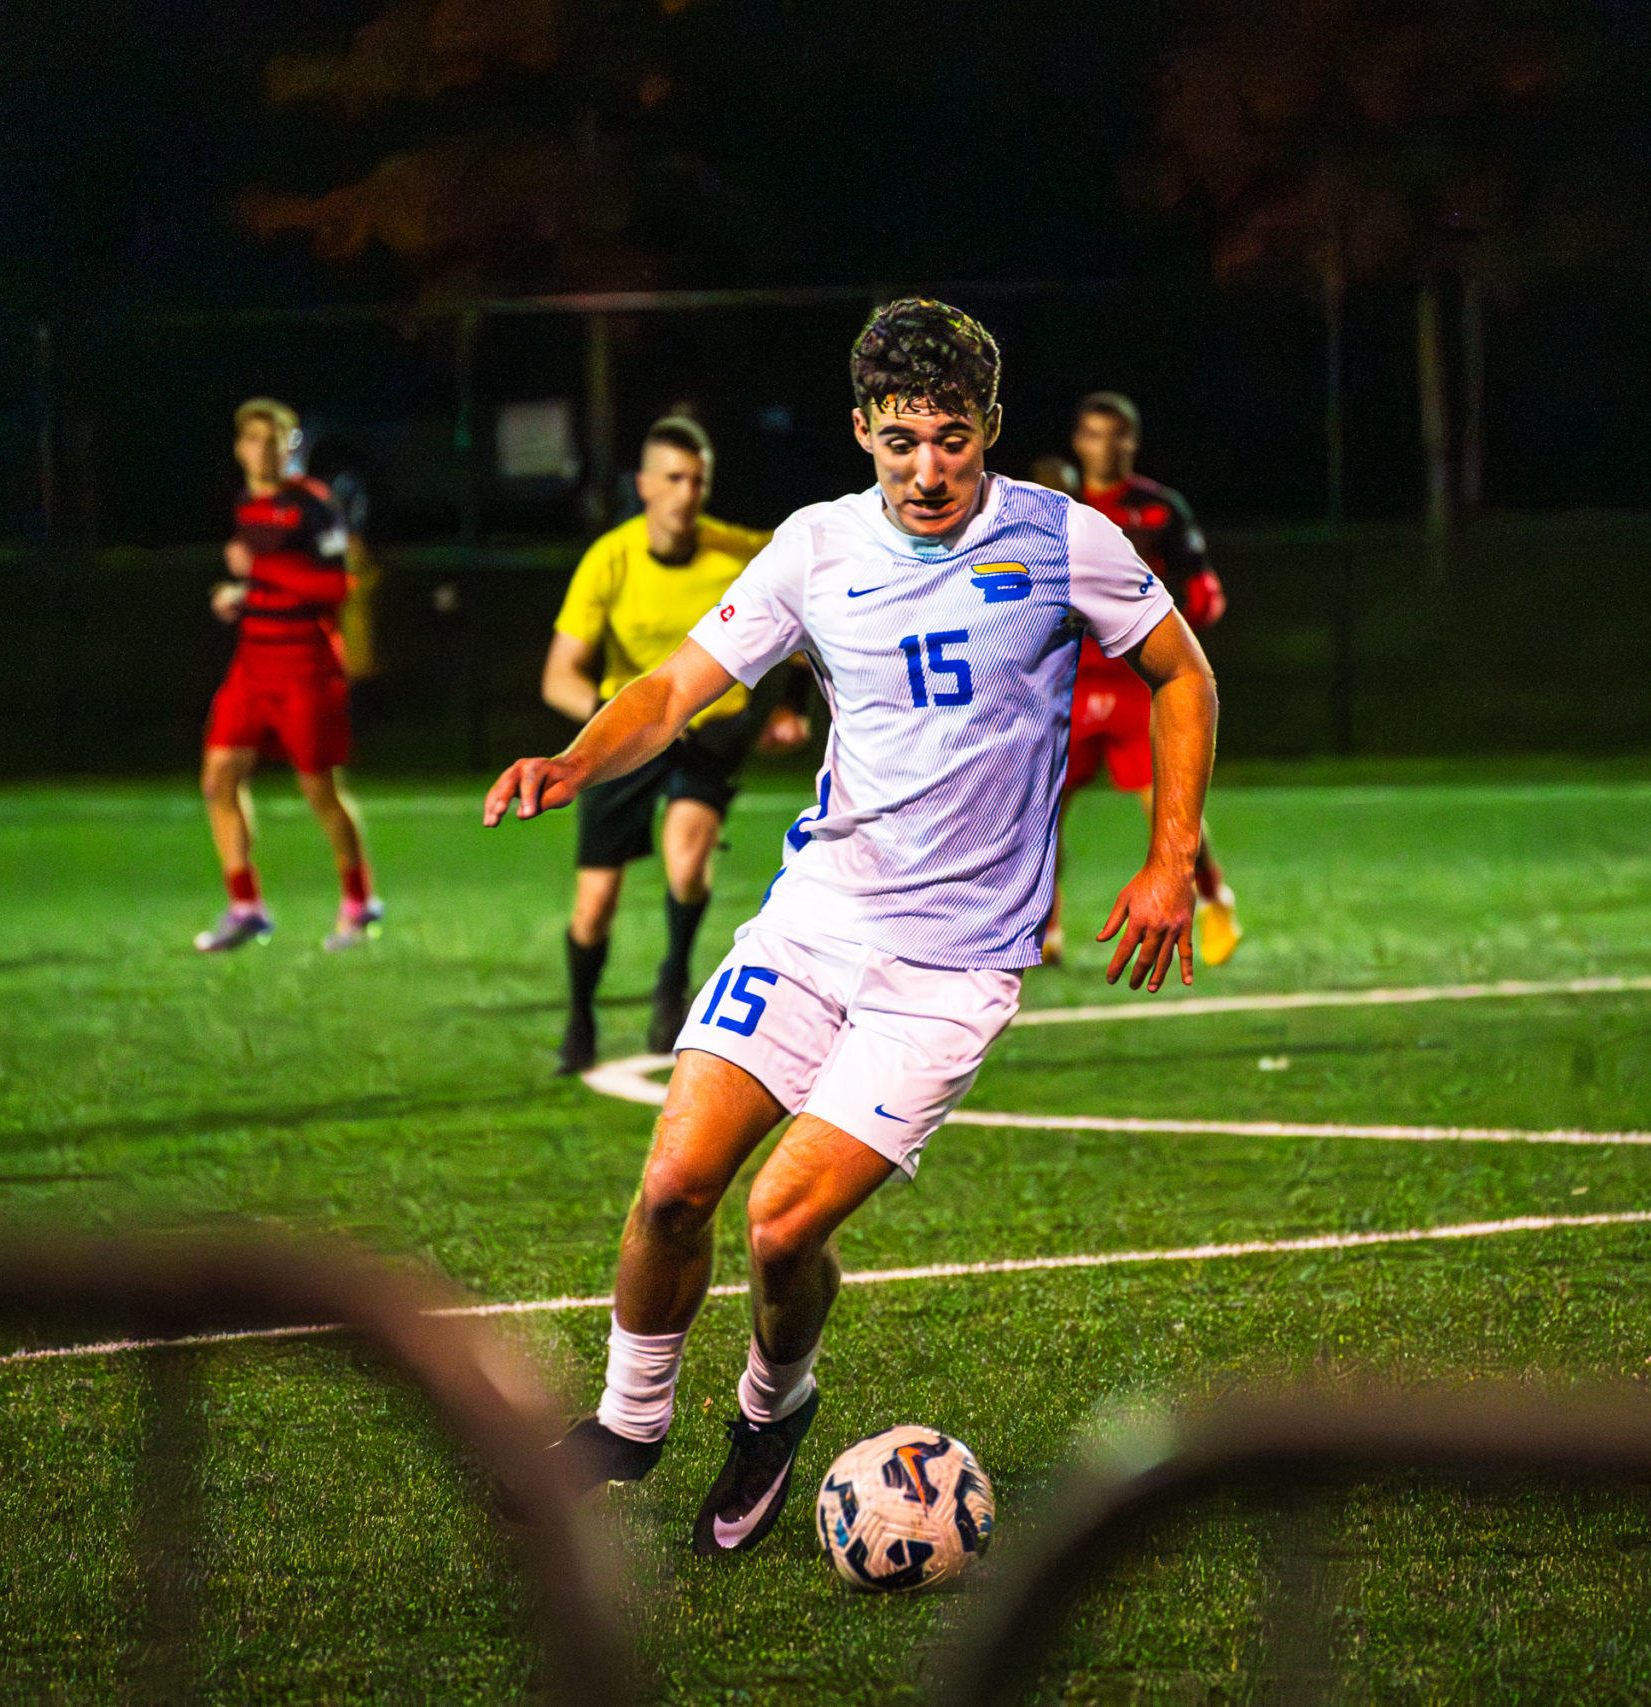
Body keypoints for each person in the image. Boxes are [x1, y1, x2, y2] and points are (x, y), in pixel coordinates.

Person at [483, 299, 1218, 1555]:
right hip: (815, 923)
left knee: (779, 1224)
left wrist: (1168, 862)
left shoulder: (1059, 539)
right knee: (671, 1188)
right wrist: (574, 756)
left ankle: (771, 1407)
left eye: (950, 439)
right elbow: (672, 688)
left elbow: (1180, 670)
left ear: (989, 430)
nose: (926, 469)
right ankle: (628, 1422)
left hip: (950, 970)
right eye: (898, 441)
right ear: (862, 431)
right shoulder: (814, 549)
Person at [544, 417, 812, 1074]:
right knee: (594, 905)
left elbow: (815, 615)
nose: (687, 493)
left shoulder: (740, 551)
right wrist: (613, 720)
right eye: (673, 478)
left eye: (698, 479)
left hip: (709, 733)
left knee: (687, 864)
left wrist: (789, 708)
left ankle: (672, 984)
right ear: (643, 485)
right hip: (632, 736)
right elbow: (559, 677)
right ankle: (580, 1014)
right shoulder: (610, 557)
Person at [1047, 391, 1242, 968]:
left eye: (1117, 434)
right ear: (1078, 441)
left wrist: (1187, 612)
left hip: (1139, 683)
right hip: (1070, 683)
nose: (1106, 447)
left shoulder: (1160, 509)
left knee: (1168, 805)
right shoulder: (1056, 508)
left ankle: (1214, 896)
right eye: (1093, 434)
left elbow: (1201, 590)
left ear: (1132, 441)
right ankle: (1045, 929)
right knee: (1040, 812)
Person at [194, 398, 384, 954]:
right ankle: (245, 906)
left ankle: (358, 900)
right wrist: (239, 597)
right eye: (255, 440)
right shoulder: (246, 507)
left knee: (318, 790)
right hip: (253, 663)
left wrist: (262, 571)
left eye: (277, 440)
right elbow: (267, 584)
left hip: (305, 666)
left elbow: (334, 588)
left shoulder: (314, 506)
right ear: (239, 449)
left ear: (291, 447)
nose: (266, 451)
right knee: (218, 780)